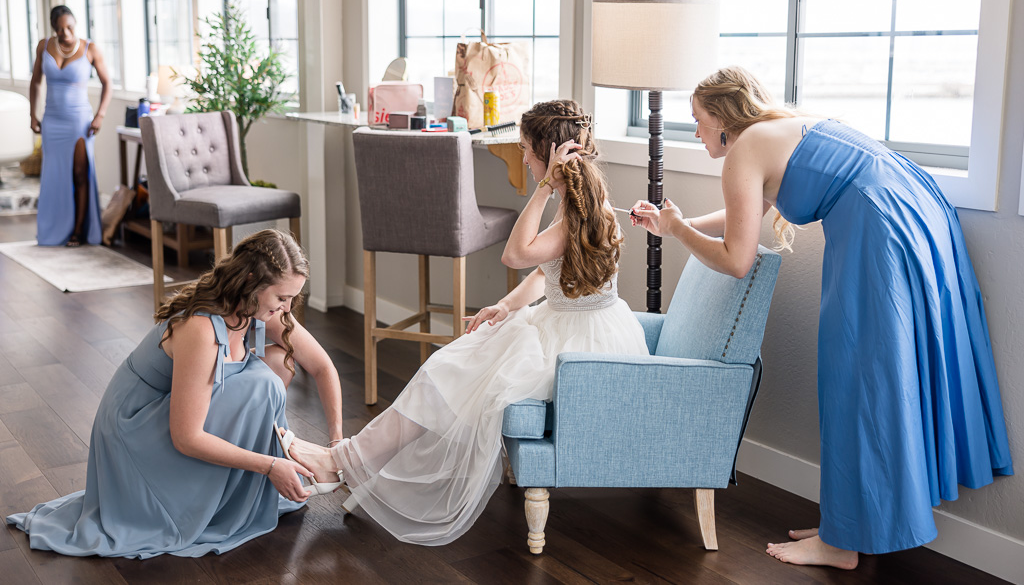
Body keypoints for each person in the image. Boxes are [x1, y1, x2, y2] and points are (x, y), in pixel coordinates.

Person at [630, 66, 1014, 570]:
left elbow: (735, 260)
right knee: (880, 370)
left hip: (877, 227)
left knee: (857, 377)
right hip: (914, 205)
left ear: (724, 119)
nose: (696, 133)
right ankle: (846, 523)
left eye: (698, 121)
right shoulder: (782, 127)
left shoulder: (743, 150)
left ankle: (841, 543)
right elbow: (747, 208)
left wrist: (678, 232)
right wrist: (671, 223)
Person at [278, 99, 649, 546]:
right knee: (448, 368)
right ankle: (347, 459)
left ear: (548, 156)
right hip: (559, 322)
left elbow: (515, 256)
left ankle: (342, 462)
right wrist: (506, 306)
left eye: (528, 151)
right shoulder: (584, 201)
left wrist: (543, 189)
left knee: (449, 374)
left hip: (579, 350)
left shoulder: (574, 210)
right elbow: (543, 272)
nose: (524, 159)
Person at [6, 229, 345, 558]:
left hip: (174, 411)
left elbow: (322, 367)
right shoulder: (201, 328)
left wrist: (336, 443)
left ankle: (249, 476)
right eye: (282, 298)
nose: (287, 309)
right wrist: (269, 465)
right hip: (134, 429)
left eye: (292, 299)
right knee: (262, 383)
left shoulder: (259, 308)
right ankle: (232, 478)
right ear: (251, 281)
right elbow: (185, 437)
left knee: (277, 364)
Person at [29, 5, 112, 247]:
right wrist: (32, 115)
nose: (66, 33)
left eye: (70, 27)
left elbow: (108, 83)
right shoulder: (44, 46)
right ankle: (55, 229)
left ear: (75, 24)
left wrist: (100, 115)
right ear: (53, 27)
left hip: (79, 121)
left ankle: (77, 230)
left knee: (79, 174)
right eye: (60, 28)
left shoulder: (90, 48)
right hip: (52, 120)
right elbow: (35, 82)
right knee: (54, 177)